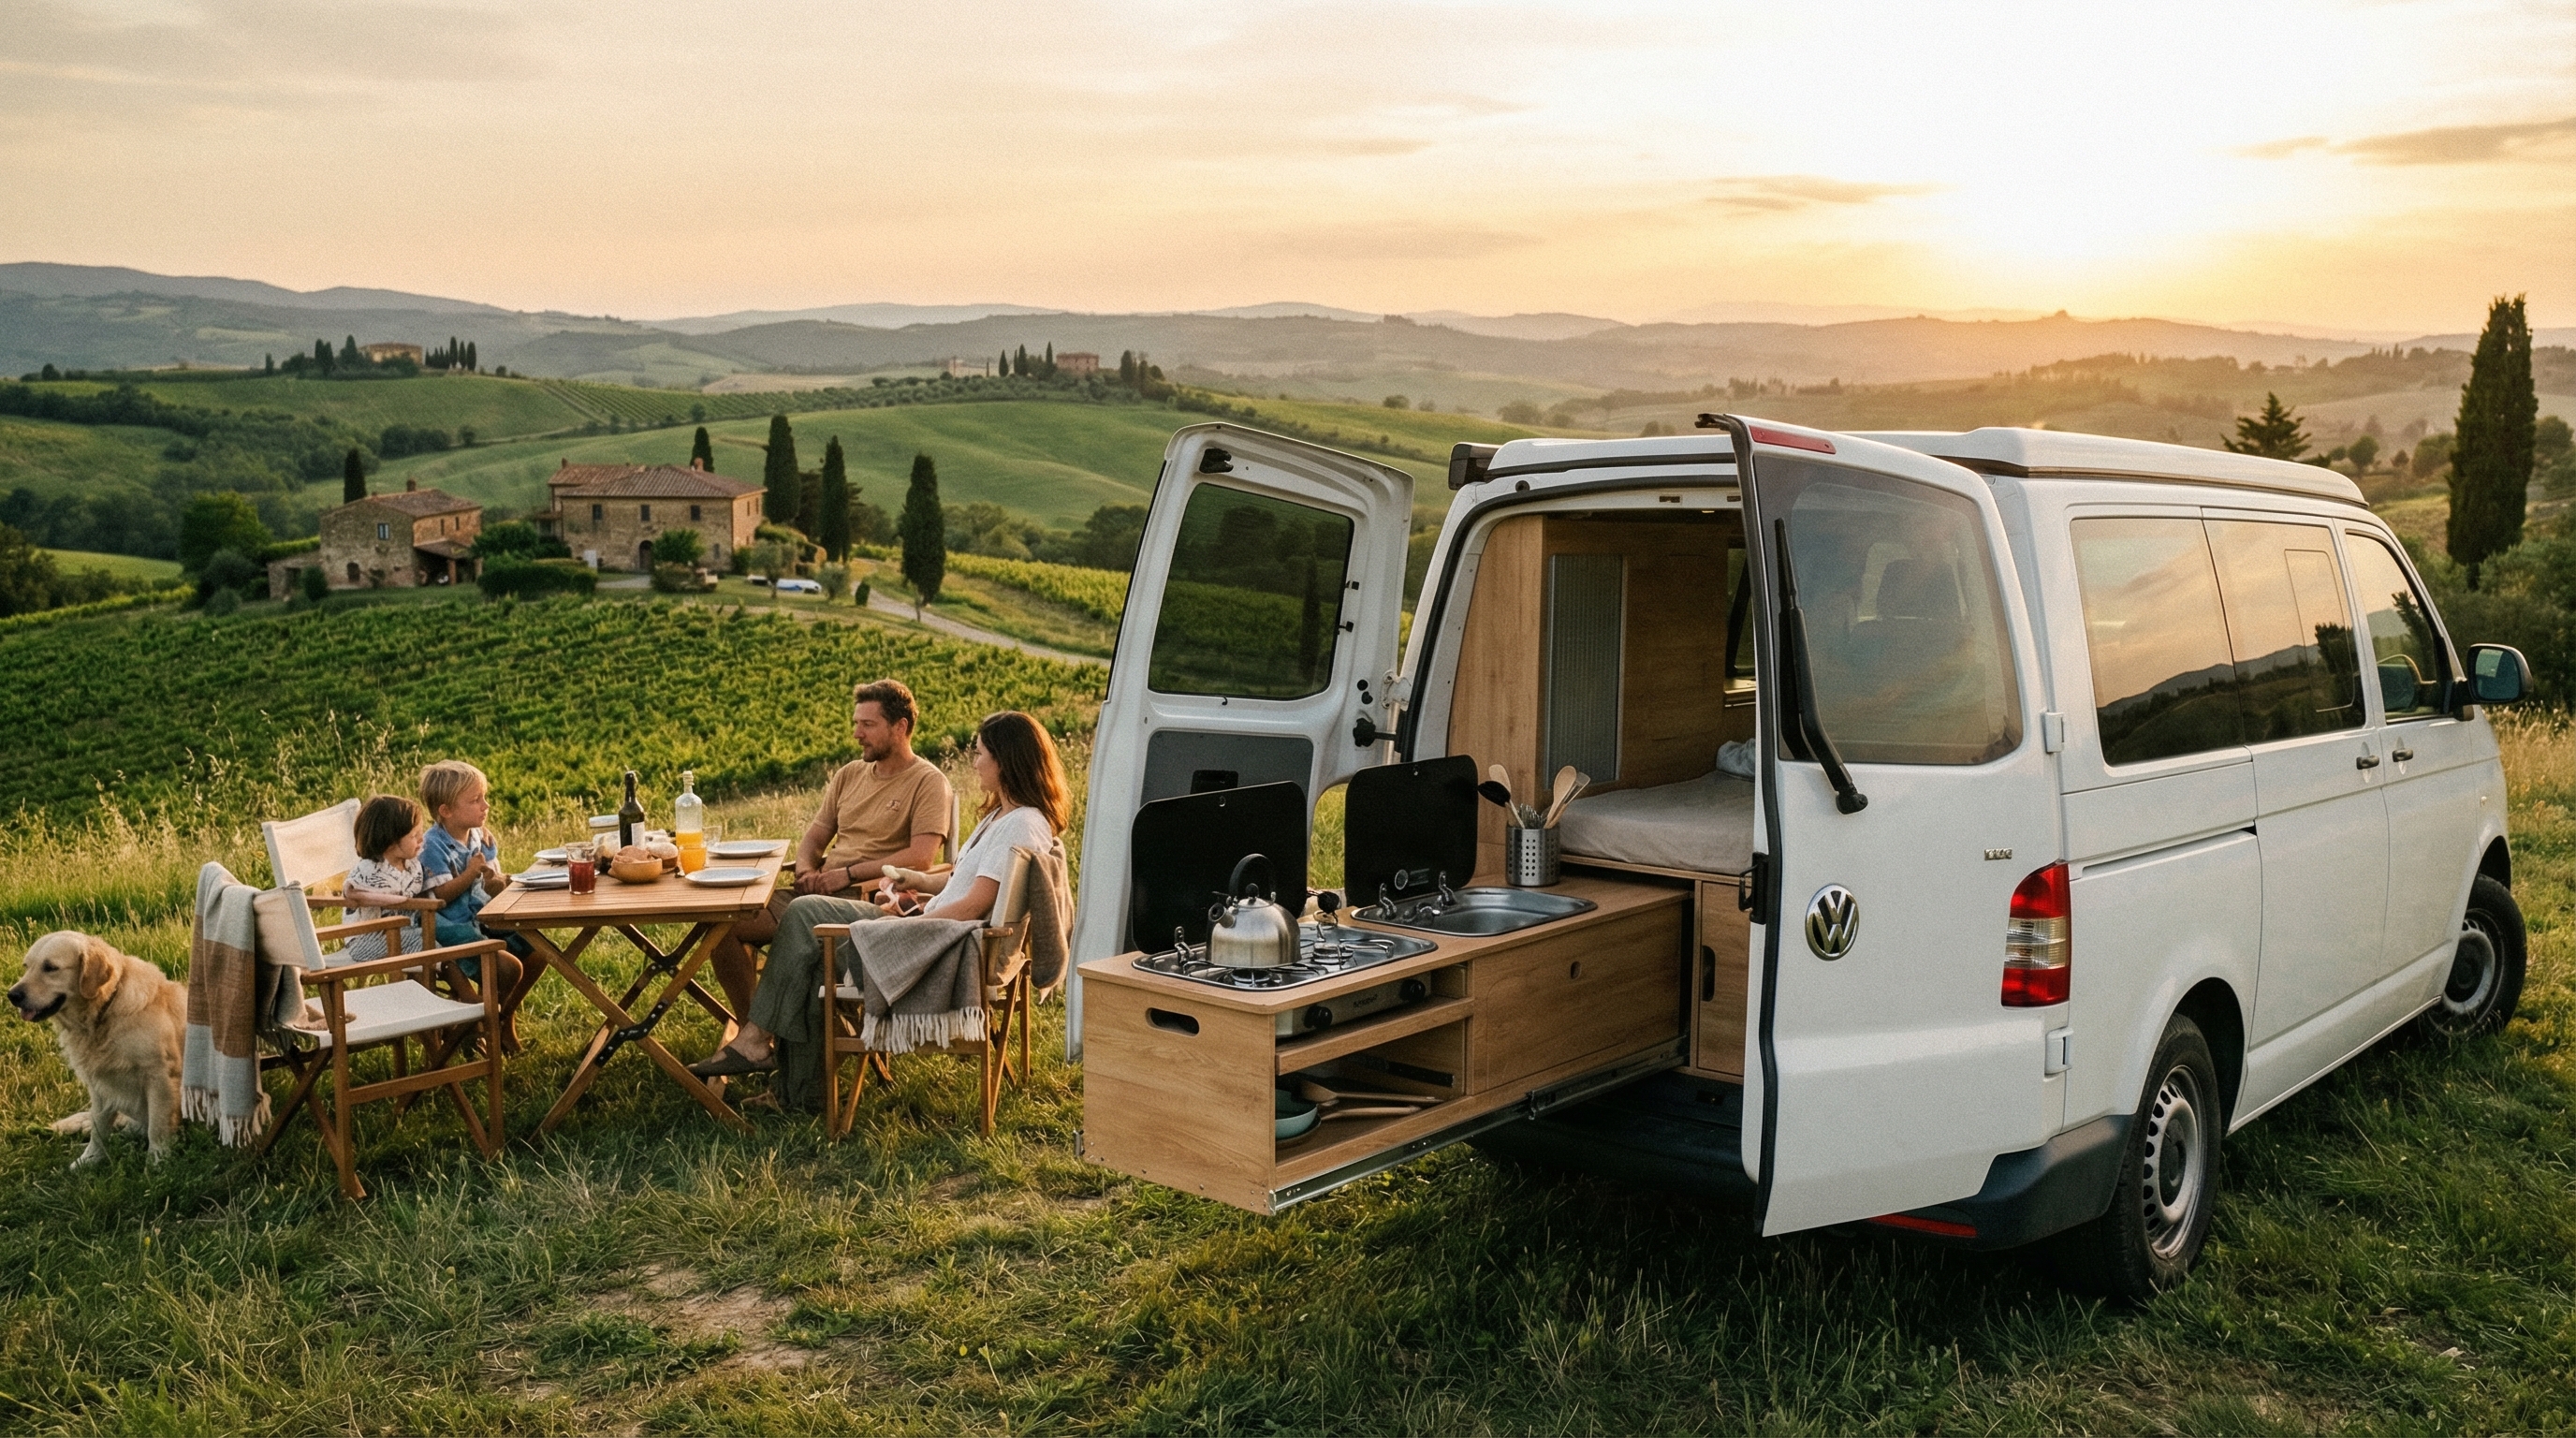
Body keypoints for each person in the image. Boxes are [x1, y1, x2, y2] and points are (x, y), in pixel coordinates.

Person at [690, 710, 1068, 1078]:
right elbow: (964, 884)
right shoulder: (1003, 817)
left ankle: (757, 1041)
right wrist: (914, 883)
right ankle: (795, 1091)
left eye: (980, 754)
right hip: (936, 931)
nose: (974, 763)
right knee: (810, 945)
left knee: (806, 917)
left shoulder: (1021, 824)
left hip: (941, 945)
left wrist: (900, 927)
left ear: (1006, 762)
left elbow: (974, 905)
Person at [703, 679, 954, 1023]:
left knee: (796, 915)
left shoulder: (927, 781)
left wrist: (847, 875)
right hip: (818, 893)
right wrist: (807, 870)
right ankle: (755, 1031)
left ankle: (765, 1032)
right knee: (722, 925)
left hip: (869, 902)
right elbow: (815, 838)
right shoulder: (849, 774)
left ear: (901, 727)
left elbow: (920, 858)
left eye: (868, 724)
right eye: (856, 723)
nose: (856, 734)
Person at [417, 760, 536, 1050]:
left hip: (482, 918)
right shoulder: (432, 845)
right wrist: (470, 874)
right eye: (475, 800)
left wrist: (496, 882)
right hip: (450, 927)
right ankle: (480, 1024)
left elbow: (489, 883)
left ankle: (501, 1020)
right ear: (446, 811)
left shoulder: (478, 836)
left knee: (538, 952)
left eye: (484, 797)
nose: (486, 806)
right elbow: (441, 897)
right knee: (508, 969)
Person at [339, 794, 443, 963]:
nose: (421, 839)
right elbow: (350, 892)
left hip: (403, 933)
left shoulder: (412, 866)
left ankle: (425, 985)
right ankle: (463, 989)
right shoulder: (369, 869)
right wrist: (395, 900)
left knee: (436, 936)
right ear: (391, 841)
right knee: (428, 944)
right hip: (367, 941)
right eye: (414, 835)